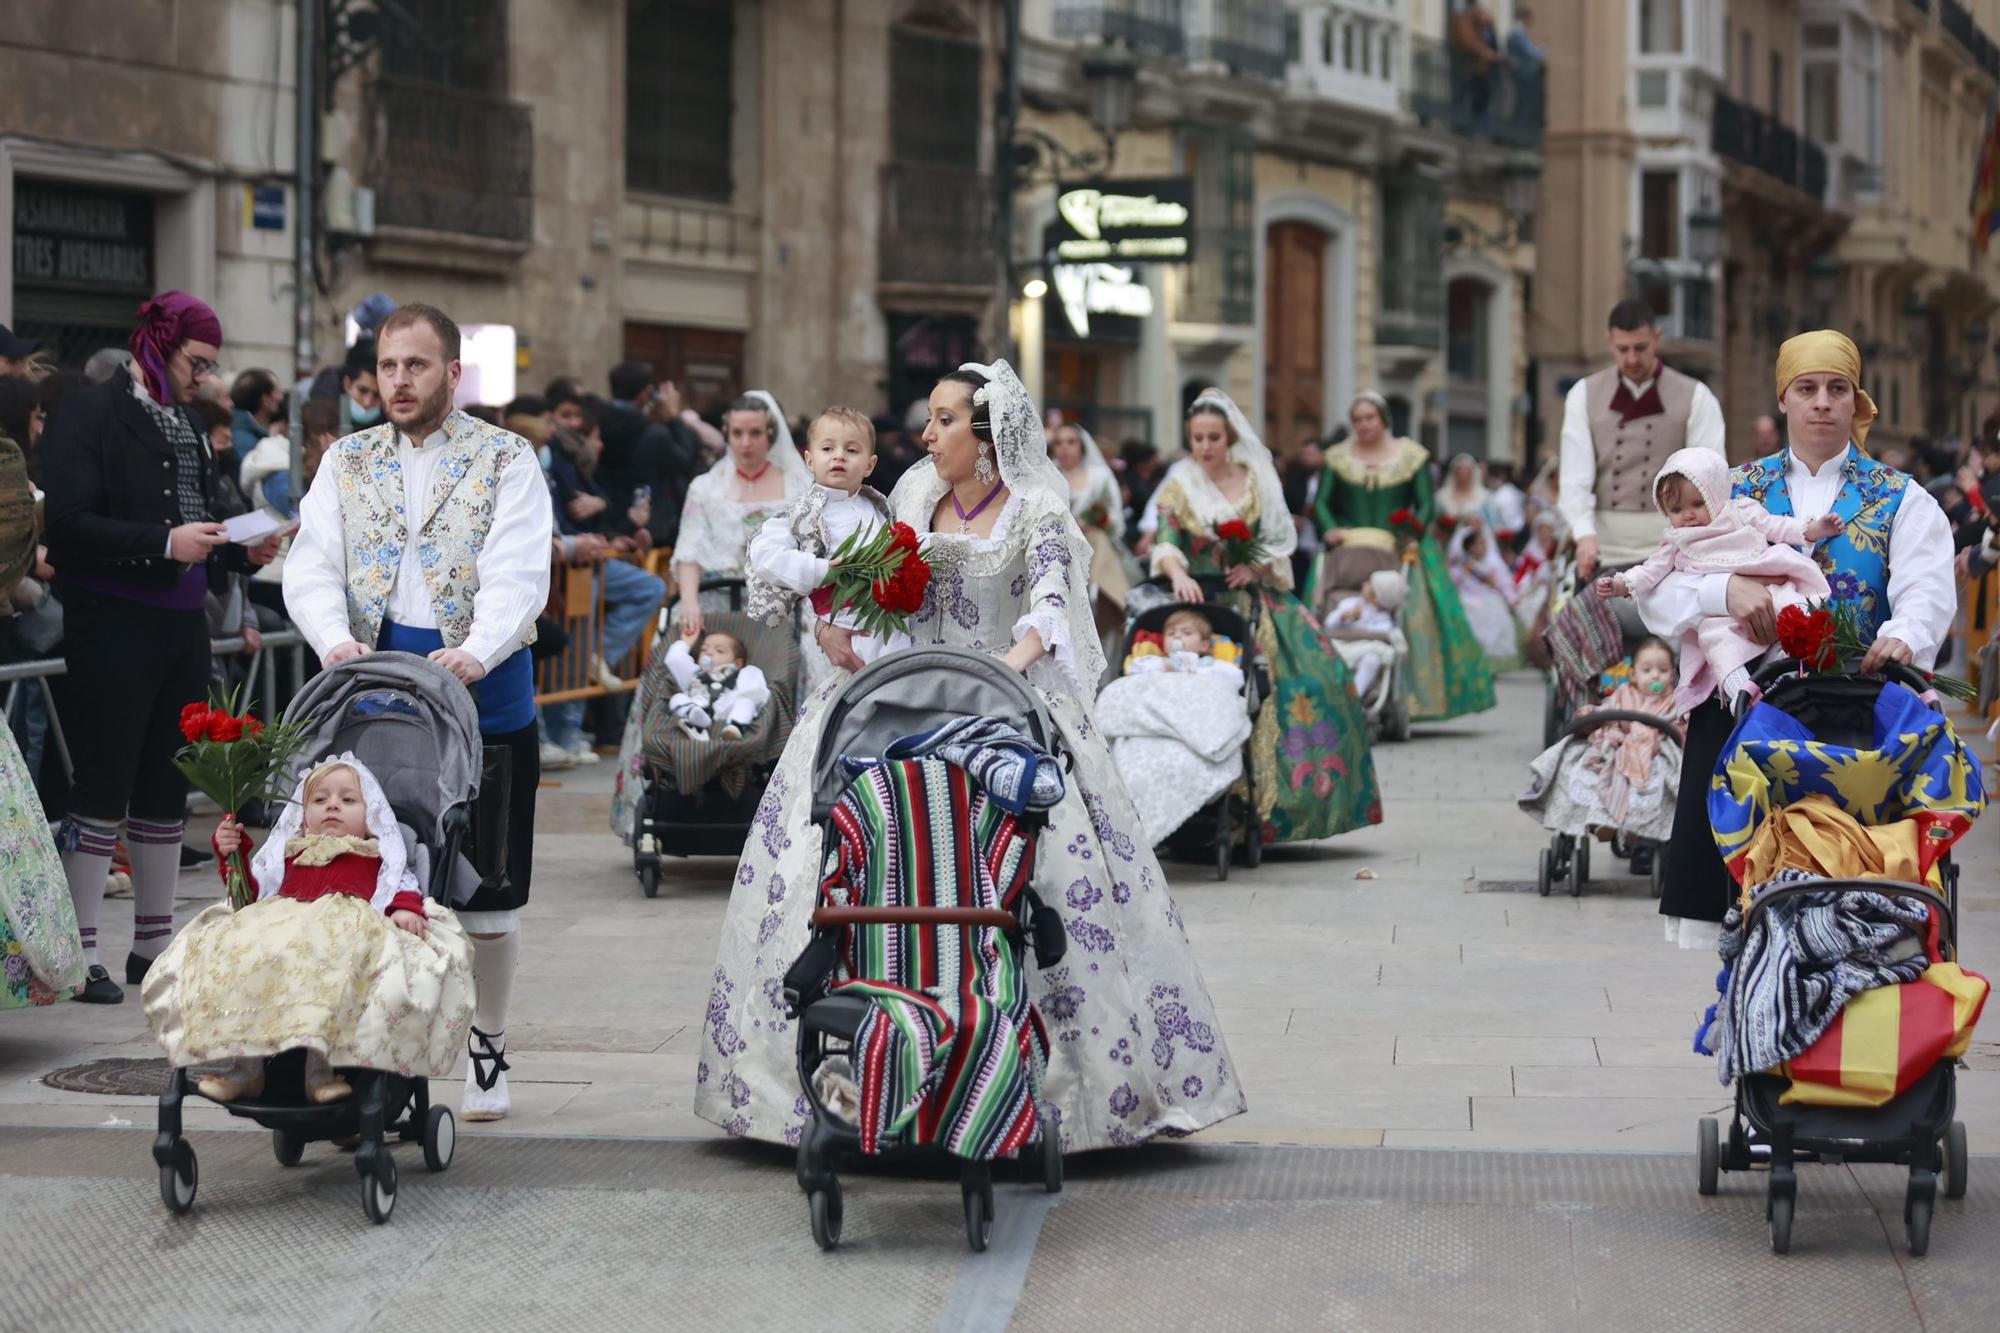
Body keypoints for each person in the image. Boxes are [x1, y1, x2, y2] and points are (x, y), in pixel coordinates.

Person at [696, 359, 1245, 1148]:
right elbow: (857, 584)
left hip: (1002, 698)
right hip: (899, 695)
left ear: (987, 438)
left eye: (944, 420)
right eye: (929, 420)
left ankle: (1048, 1084)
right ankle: (835, 1070)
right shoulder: (910, 498)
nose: (925, 435)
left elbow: (1049, 608)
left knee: (1042, 863)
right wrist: (830, 624)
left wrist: (997, 678)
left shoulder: (1038, 512)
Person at [282, 302, 552, 1119]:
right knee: (374, 883)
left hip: (487, 687)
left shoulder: (507, 457)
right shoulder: (347, 460)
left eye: (416, 366)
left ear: (452, 372)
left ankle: (488, 1042)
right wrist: (332, 640)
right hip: (372, 693)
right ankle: (375, 1048)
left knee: (490, 896)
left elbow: (518, 569)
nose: (398, 381)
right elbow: (312, 563)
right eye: (389, 368)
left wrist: (479, 644)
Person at [1636, 331, 1957, 948]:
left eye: (1837, 389)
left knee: (1855, 884)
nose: (1822, 403)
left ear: (1855, 401)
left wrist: (1904, 635)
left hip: (1858, 716)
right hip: (1745, 713)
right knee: (1740, 891)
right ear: (1783, 399)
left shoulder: (1902, 498)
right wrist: (1721, 594)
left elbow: (1926, 588)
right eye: (1806, 389)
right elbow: (1657, 590)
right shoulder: (1725, 489)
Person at [40, 292, 282, 1004]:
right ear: (158, 344)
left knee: (164, 782)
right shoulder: (89, 412)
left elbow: (195, 520)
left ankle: (151, 943)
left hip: (180, 622)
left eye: (210, 367)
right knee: (103, 782)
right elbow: (72, 523)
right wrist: (163, 542)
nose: (204, 379)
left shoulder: (182, 418)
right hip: (110, 617)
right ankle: (84, 952)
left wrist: (241, 549)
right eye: (195, 363)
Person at [141, 755, 475, 1103]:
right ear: (302, 816)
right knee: (246, 954)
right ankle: (247, 1069)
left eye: (347, 800)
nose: (333, 806)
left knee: (327, 970)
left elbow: (398, 884)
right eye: (320, 800)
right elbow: (253, 891)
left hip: (340, 928)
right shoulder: (288, 852)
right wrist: (233, 854)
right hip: (282, 921)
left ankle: (319, 1070)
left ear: (371, 815)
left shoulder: (375, 853)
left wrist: (405, 908)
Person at [1150, 388, 1383, 843]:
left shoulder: (1257, 476)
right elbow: (1165, 536)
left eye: (1213, 437)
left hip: (1258, 600)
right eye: (1197, 438)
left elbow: (1280, 541)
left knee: (1320, 683)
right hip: (1204, 605)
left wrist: (1254, 564)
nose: (1205, 447)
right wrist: (1177, 572)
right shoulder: (1180, 484)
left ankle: (1272, 812)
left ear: (1230, 436)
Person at [610, 390, 811, 843]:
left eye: (755, 433)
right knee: (676, 667)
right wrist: (691, 601)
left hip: (777, 605)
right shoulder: (706, 485)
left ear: (770, 435)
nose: (745, 442)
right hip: (718, 602)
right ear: (726, 434)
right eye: (737, 433)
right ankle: (672, 787)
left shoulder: (797, 486)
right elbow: (688, 552)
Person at [1596, 448, 1840, 710]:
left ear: (1715, 494)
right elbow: (1650, 571)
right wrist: (1623, 584)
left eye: (1698, 504)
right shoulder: (1676, 541)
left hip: (1765, 578)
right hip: (1718, 615)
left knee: (1791, 610)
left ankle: (1785, 674)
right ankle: (1740, 693)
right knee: (1715, 640)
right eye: (1676, 509)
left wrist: (1812, 529)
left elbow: (1776, 526)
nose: (1688, 515)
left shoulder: (1739, 511)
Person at [1313, 392, 1495, 721]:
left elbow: (1425, 502)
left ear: (1384, 420)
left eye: (1370, 418)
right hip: (1348, 549)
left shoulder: (1411, 456)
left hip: (1399, 549)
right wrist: (1330, 529)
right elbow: (1323, 502)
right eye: (1357, 419)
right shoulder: (1337, 458)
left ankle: (1410, 700)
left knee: (1412, 616)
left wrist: (1412, 531)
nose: (1364, 425)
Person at [1559, 299, 1726, 586]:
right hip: (1603, 549)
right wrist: (1584, 535)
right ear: (1609, 342)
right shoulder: (1583, 394)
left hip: (1673, 546)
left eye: (1641, 348)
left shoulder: (1696, 396)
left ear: (1656, 339)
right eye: (1623, 349)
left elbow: (1711, 479)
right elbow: (1575, 477)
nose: (1632, 359)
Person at [746, 405, 902, 668]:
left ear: (869, 465)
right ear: (809, 460)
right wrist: (820, 570)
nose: (839, 456)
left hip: (886, 622)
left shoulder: (878, 508)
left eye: (851, 450)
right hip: (836, 621)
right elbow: (763, 554)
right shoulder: (801, 513)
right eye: (828, 449)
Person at [1518, 634, 1681, 845]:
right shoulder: (1623, 695)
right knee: (1595, 766)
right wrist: (1592, 715)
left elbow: (1680, 728)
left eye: (1663, 670)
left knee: (1659, 778)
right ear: (1633, 674)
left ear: (1672, 676)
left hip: (1655, 751)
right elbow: (1606, 711)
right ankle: (1605, 822)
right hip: (1619, 746)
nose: (1655, 676)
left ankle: (1635, 824)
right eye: (1647, 670)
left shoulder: (1674, 702)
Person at [1047, 418, 1134, 650]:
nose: (1064, 447)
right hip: (1055, 548)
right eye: (1059, 442)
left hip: (1093, 549)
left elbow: (1114, 519)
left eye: (1071, 442)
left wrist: (1092, 522)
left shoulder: (1099, 477)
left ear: (1081, 446)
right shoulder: (1047, 475)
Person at [662, 631, 769, 741]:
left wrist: (741, 698)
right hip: (698, 705)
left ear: (737, 664)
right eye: (704, 649)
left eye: (719, 651)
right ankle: (696, 720)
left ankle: (735, 726)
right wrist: (686, 642)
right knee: (676, 698)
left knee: (746, 702)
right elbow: (674, 659)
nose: (709, 652)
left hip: (726, 707)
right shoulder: (695, 673)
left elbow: (753, 690)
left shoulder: (741, 673)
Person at [1324, 569, 1407, 703]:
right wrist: (1343, 616)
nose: (1364, 583)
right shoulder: (1349, 603)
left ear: (1375, 596)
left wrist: (1362, 626)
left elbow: (1382, 633)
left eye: (1369, 583)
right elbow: (1328, 624)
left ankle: (1354, 697)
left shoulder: (1383, 618)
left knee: (1372, 660)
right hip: (1340, 645)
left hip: (1364, 649)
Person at [1449, 522, 1520, 666]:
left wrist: (1512, 600)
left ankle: (1489, 665)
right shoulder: (1463, 566)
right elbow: (1453, 583)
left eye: (1485, 543)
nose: (1484, 547)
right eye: (1480, 544)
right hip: (1467, 600)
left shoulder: (1493, 564)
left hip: (1489, 600)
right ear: (1470, 547)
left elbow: (1503, 584)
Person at [228, 369, 286, 458]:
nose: (281, 398)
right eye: (278, 392)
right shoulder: (243, 440)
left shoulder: (248, 431)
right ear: (266, 400)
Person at [1436, 453, 1493, 529]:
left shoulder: (1484, 496)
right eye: (1460, 471)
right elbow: (1435, 520)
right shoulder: (1442, 495)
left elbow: (1493, 523)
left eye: (1466, 472)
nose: (1463, 475)